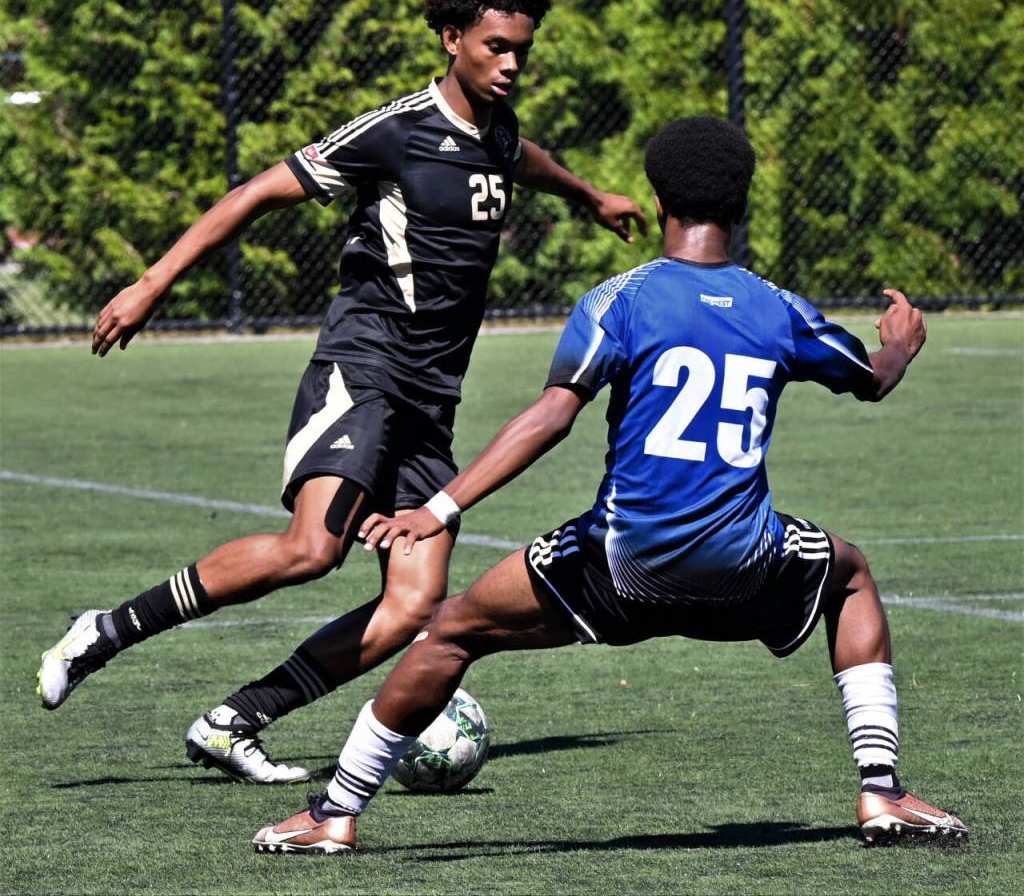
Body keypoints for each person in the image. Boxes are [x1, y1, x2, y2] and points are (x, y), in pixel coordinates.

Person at [252, 116, 968, 853]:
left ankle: (335, 813)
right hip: (743, 568)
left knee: (448, 629)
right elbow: (869, 379)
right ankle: (881, 790)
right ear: (743, 206)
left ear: (658, 202)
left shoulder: (619, 300)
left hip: (621, 568)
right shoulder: (779, 308)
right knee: (847, 572)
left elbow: (552, 416)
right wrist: (899, 347)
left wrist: (437, 509)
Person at [36, 0, 647, 785]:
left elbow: (525, 159)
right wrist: (151, 284)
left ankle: (235, 720)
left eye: (522, 53)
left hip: (433, 396)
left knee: (414, 604)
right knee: (309, 551)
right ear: (452, 38)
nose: (510, 65)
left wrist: (591, 197)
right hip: (366, 365)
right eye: (496, 47)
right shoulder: (394, 130)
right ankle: (104, 631)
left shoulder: (500, 133)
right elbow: (254, 193)